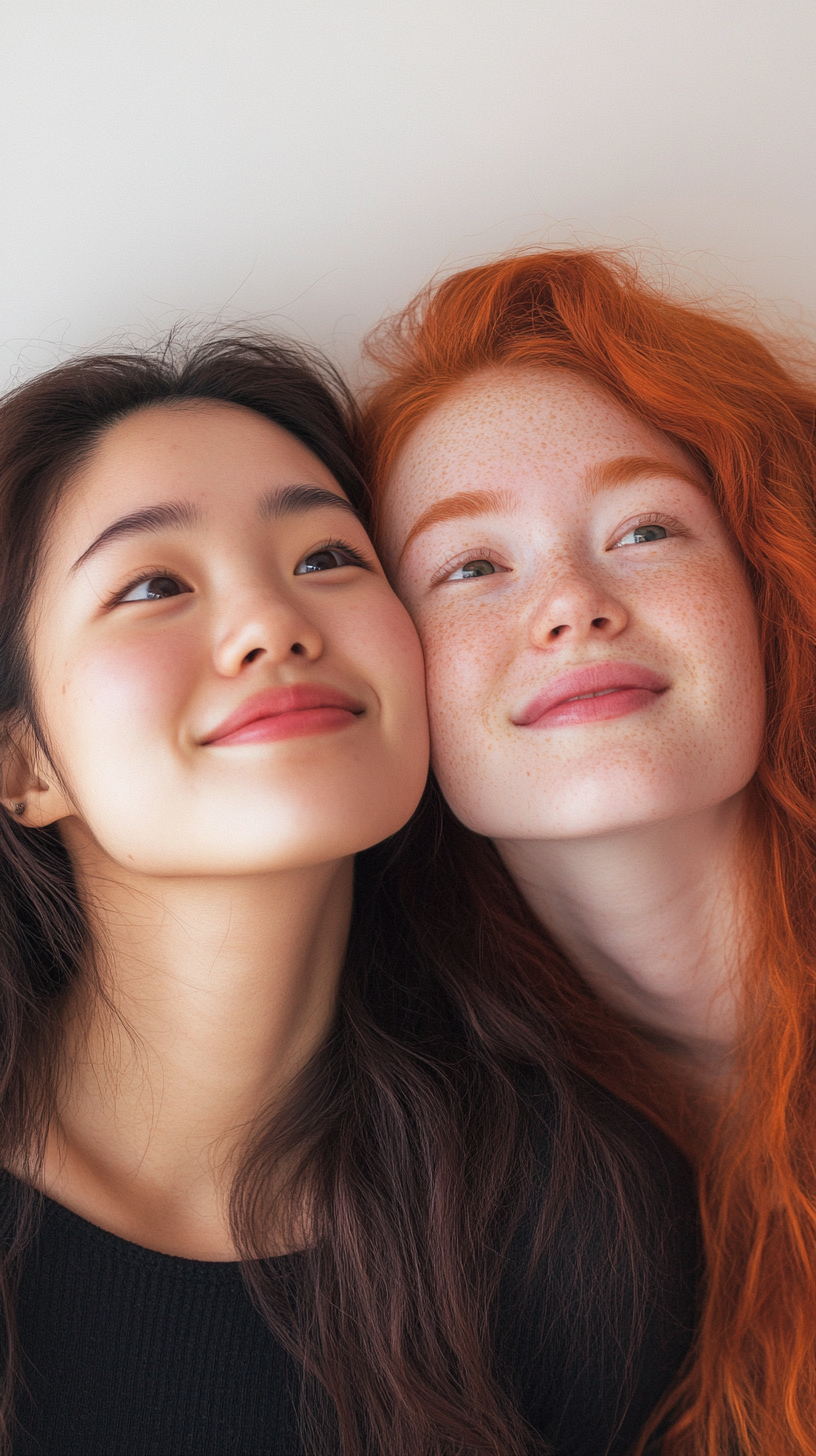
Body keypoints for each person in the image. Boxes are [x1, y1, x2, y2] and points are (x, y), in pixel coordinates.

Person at [0, 334, 696, 1456]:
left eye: (326, 557)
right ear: (23, 763)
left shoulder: (580, 1227)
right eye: (154, 584)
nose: (274, 622)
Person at [359, 248, 816, 1456]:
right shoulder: (425, 1177)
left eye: (646, 528)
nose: (571, 603)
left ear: (768, 583)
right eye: (471, 567)